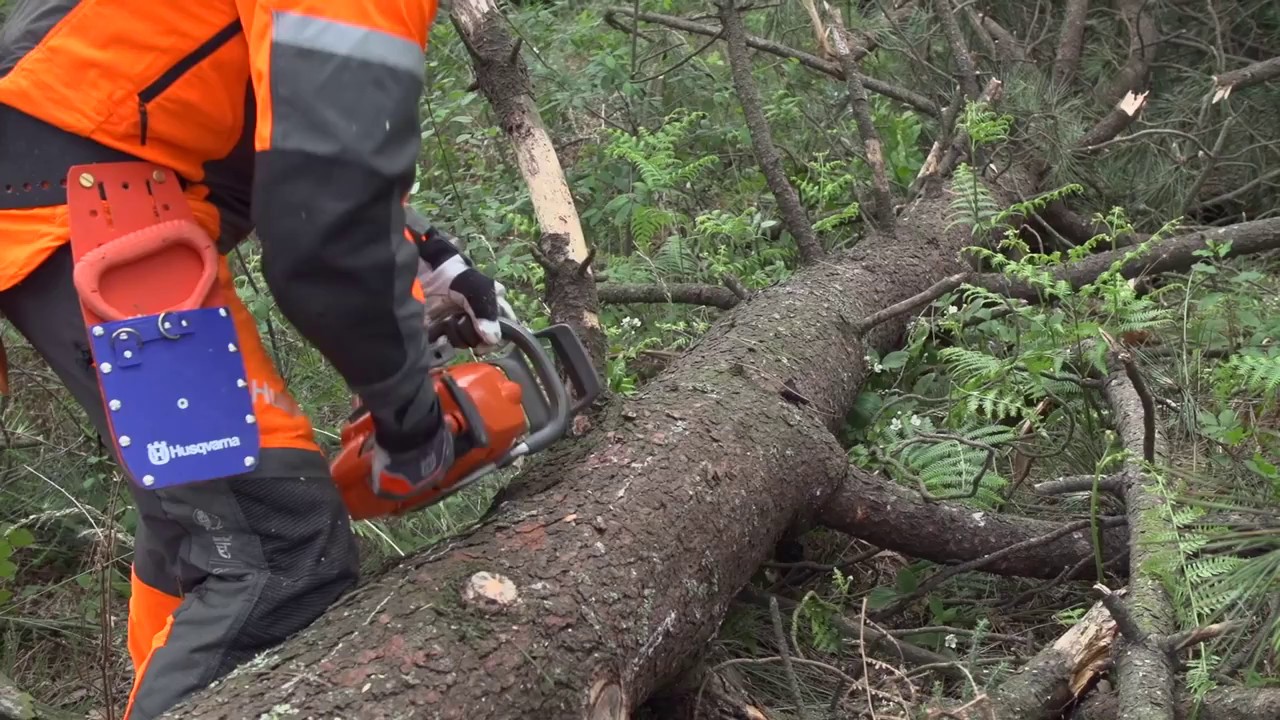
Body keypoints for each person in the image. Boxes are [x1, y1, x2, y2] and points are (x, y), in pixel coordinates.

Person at [0, 1, 510, 718]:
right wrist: (411, 418)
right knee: (277, 549)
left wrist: (424, 251)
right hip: (89, 204)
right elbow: (325, 231)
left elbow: (293, 133)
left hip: (85, 185)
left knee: (208, 517)